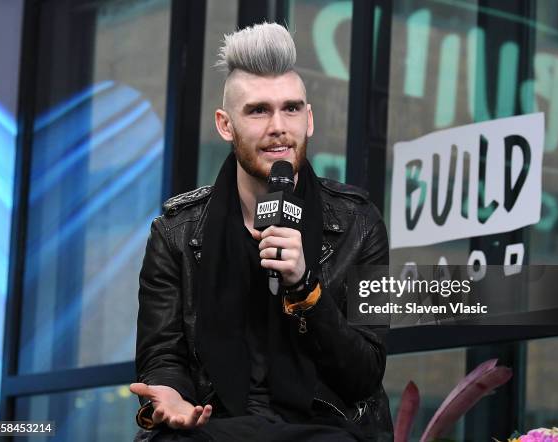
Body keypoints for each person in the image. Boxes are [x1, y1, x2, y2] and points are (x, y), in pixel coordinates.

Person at [130, 22, 392, 442]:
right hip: (217, 426)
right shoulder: (175, 233)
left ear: (309, 120)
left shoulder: (359, 224)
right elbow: (162, 353)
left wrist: (306, 288)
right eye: (257, 111)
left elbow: (365, 372)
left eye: (290, 108)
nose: (278, 126)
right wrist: (173, 396)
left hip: (324, 428)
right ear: (225, 124)